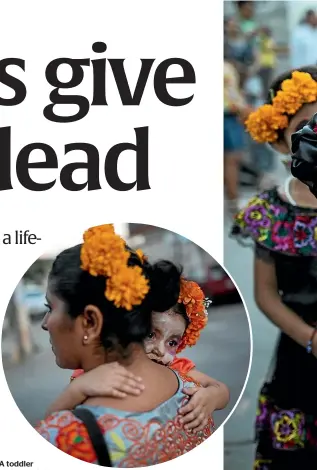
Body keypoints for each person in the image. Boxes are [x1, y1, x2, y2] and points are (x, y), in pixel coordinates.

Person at [35, 224, 215, 466]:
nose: (46, 323)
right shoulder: (191, 391)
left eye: (51, 308)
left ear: (90, 322)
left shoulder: (66, 435)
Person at [231, 67, 317, 468]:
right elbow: (265, 294)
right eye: (306, 126)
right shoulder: (269, 211)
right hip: (302, 354)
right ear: (282, 138)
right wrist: (311, 338)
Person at [45, 278, 230, 432]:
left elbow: (221, 388)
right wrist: (76, 390)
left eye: (172, 342)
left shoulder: (178, 368)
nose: (160, 349)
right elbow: (51, 427)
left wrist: (211, 397)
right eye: (151, 334)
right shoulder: (95, 374)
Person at [224, 56, 251, 215]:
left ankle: (232, 199)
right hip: (228, 116)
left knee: (230, 161)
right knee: (232, 160)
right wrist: (243, 109)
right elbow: (231, 94)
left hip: (230, 115)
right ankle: (233, 201)